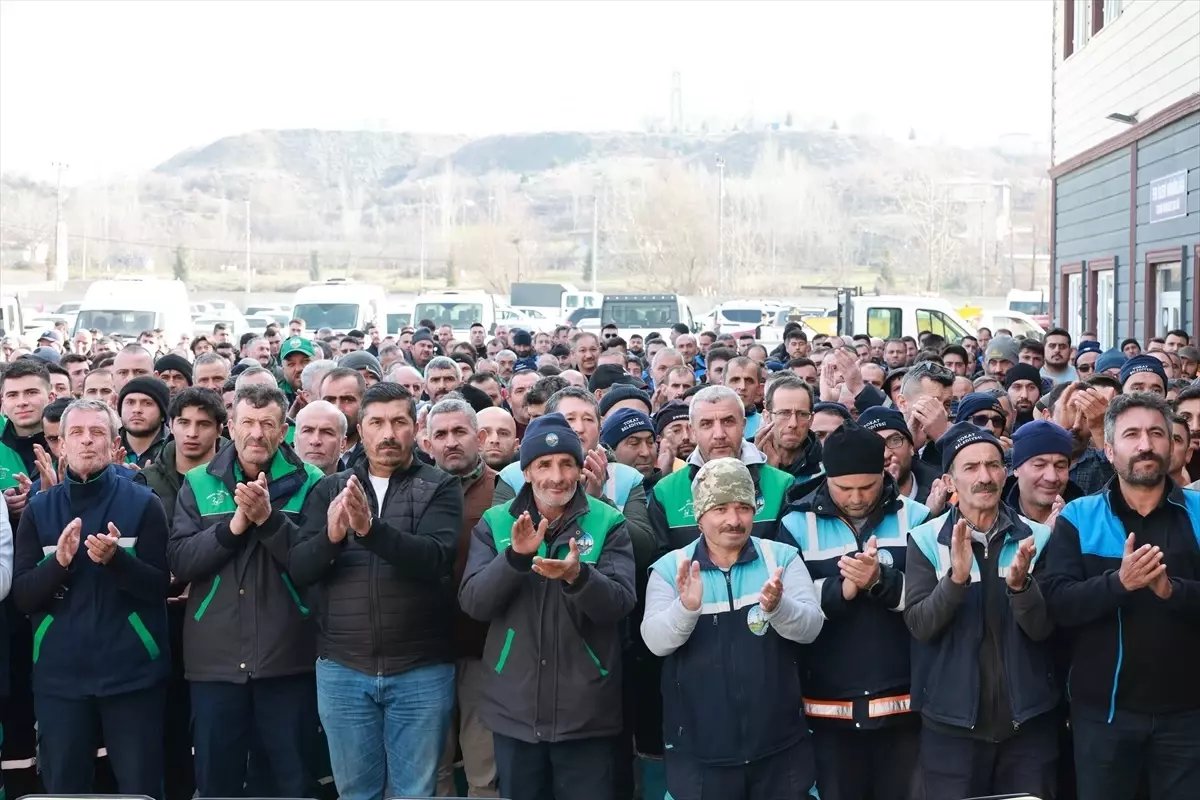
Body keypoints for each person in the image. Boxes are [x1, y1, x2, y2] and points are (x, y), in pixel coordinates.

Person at [288, 382, 462, 800]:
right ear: (359, 431)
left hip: (420, 668)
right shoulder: (331, 488)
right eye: (377, 423)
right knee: (356, 792)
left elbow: (436, 559)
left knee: (415, 792)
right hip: (343, 669)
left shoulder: (439, 486)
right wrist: (331, 539)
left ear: (415, 427)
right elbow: (299, 568)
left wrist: (369, 530)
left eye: (399, 422)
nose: (388, 434)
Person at [458, 413, 636, 800]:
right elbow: (474, 602)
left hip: (587, 711)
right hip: (514, 708)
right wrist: (515, 560)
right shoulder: (495, 523)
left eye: (566, 464)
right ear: (526, 472)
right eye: (544, 465)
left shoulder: (608, 521)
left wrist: (580, 577)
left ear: (580, 469)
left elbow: (620, 604)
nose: (556, 476)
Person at [1040, 392, 1200, 799]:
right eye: (1132, 435)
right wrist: (1119, 583)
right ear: (1109, 450)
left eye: (1155, 434)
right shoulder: (1079, 517)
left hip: (1187, 716)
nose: (1145, 445)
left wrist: (1171, 591)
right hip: (1103, 716)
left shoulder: (1199, 512)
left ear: (1172, 444)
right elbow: (1057, 602)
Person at [168, 383, 324, 798]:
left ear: (283, 429)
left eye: (267, 424)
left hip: (287, 659)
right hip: (214, 660)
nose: (257, 434)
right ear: (231, 427)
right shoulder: (199, 482)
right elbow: (181, 561)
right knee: (217, 782)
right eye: (248, 423)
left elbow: (315, 562)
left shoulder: (312, 482)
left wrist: (269, 521)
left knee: (291, 780)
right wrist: (234, 526)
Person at [12, 398, 170, 796]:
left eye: (97, 432)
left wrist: (117, 561)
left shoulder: (143, 503)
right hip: (60, 679)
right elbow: (24, 597)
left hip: (131, 675)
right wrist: (60, 563)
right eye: (76, 434)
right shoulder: (39, 509)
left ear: (114, 444)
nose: (86, 442)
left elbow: (159, 587)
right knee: (64, 787)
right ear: (60, 445)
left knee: (140, 787)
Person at [643, 457, 822, 799]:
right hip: (700, 755)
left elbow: (811, 628)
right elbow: (656, 642)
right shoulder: (671, 569)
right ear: (700, 515)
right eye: (720, 508)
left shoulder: (781, 559)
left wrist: (778, 608)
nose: (734, 520)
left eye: (743, 507)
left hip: (779, 748)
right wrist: (687, 608)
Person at [904, 421, 1058, 800]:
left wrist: (1021, 587)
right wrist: (955, 581)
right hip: (951, 727)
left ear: (1005, 473)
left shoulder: (1037, 538)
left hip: (1028, 725)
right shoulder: (925, 539)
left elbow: (1046, 630)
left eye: (992, 465)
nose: (985, 477)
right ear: (950, 481)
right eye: (971, 468)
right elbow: (921, 625)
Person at [777, 425, 929, 800]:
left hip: (905, 706)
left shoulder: (919, 518)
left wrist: (882, 582)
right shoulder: (795, 524)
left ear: (885, 473)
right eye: (844, 489)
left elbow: (936, 600)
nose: (857, 498)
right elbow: (786, 603)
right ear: (825, 477)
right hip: (827, 708)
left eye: (868, 486)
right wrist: (837, 591)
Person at [422, 399, 500, 798]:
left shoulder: (504, 490)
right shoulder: (413, 489)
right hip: (422, 652)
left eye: (460, 432)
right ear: (426, 441)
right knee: (429, 767)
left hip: (482, 648)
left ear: (479, 437)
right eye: (441, 435)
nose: (451, 442)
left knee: (484, 768)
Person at [649, 386, 793, 551]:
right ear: (692, 431)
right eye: (707, 424)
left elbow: (788, 560)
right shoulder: (665, 492)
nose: (719, 434)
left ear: (744, 425)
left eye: (728, 421)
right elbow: (661, 564)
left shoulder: (782, 485)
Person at [858, 406, 944, 511]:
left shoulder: (944, 491)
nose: (885, 454)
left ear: (911, 447)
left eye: (895, 440)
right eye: (873, 445)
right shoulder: (855, 505)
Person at [754, 374, 823, 500]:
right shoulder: (745, 463)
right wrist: (765, 472)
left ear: (811, 419)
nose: (793, 424)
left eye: (802, 414)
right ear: (767, 416)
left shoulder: (826, 469)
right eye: (784, 413)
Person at [1002, 420, 1080, 527]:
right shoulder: (993, 515)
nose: (1051, 477)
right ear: (1016, 469)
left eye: (1060, 466)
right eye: (1039, 465)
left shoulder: (1086, 518)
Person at [117, 376, 171, 467]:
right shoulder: (108, 447)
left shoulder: (175, 449)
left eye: (147, 403)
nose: (137, 410)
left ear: (163, 413)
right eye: (130, 402)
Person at [321, 367, 366, 469]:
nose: (337, 408)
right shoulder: (303, 452)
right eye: (330, 400)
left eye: (347, 400)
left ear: (363, 403)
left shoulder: (377, 455)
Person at [294, 400, 347, 475]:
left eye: (327, 432)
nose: (315, 441)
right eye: (307, 431)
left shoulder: (361, 485)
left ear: (343, 443)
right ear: (295, 439)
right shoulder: (273, 484)